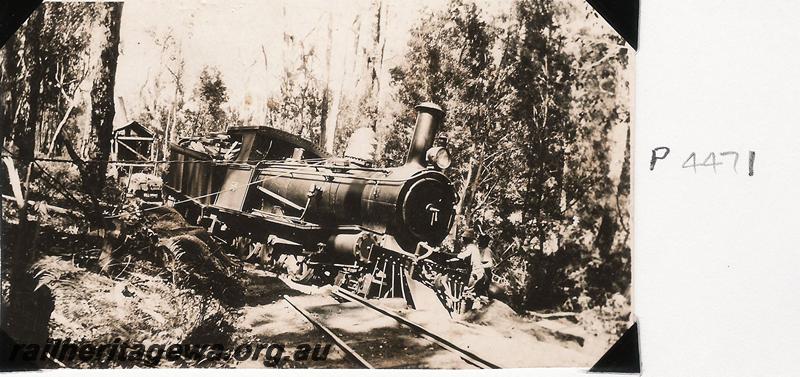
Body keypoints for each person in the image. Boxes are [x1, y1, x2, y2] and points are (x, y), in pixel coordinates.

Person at [477, 233, 495, 299]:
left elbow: (490, 264)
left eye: (480, 240)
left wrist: (480, 266)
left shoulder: (487, 250)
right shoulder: (479, 249)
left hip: (485, 275)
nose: (479, 242)